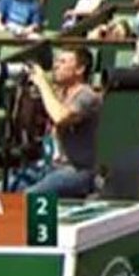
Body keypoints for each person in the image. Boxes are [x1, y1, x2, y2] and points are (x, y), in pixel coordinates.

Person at [19, 47, 102, 197]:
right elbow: (26, 122)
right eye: (56, 61)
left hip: (75, 170)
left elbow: (60, 117)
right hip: (48, 166)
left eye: (63, 62)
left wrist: (43, 83)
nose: (56, 66)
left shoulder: (88, 96)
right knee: (0, 191)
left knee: (28, 198)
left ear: (80, 69)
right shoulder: (57, 93)